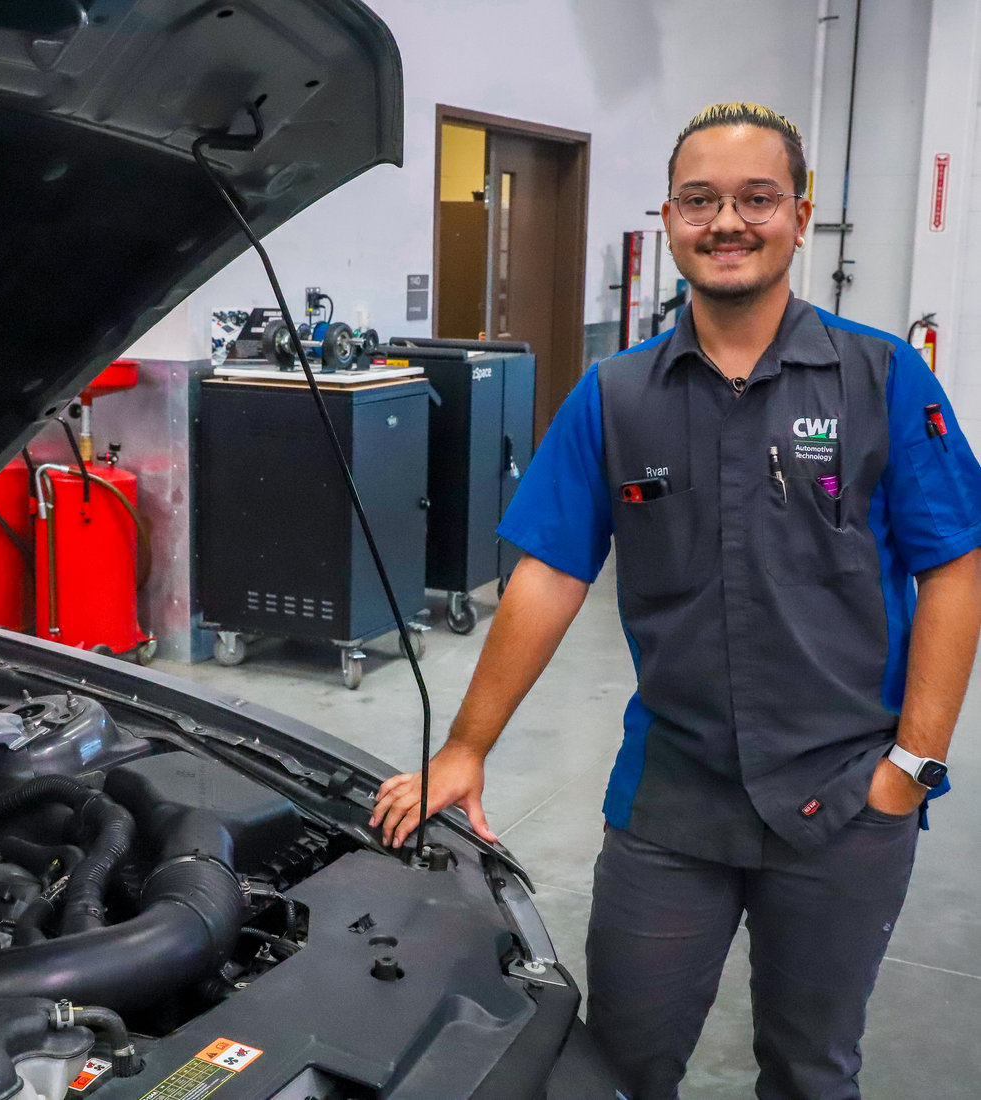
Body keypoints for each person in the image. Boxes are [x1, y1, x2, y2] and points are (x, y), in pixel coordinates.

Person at [370, 102, 981, 1099]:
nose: (726, 221)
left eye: (755, 198)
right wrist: (465, 747)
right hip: (670, 803)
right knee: (618, 1063)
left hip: (843, 796)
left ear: (798, 213)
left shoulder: (879, 376)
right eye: (699, 200)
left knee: (812, 1071)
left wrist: (909, 766)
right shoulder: (614, 395)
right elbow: (549, 575)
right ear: (666, 216)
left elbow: (951, 562)